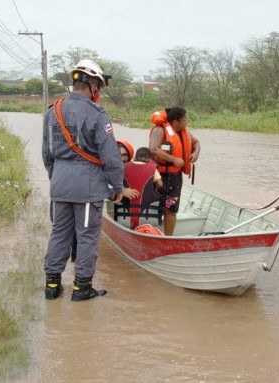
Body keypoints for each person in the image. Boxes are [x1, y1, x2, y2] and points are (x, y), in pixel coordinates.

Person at [42, 58, 135, 301]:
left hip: (59, 183)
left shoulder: (53, 111)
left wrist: (57, 179)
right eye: (99, 87)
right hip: (87, 185)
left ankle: (52, 286)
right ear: (92, 84)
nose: (99, 92)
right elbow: (111, 156)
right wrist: (117, 187)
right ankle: (81, 288)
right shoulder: (97, 114)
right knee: (86, 236)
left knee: (59, 233)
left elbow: (46, 154)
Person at [148, 107, 200, 236]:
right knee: (153, 206)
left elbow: (197, 142)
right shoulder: (160, 130)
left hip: (175, 177)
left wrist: (195, 153)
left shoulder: (184, 132)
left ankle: (167, 238)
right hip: (158, 176)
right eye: (184, 120)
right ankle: (149, 233)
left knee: (171, 209)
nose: (186, 122)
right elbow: (153, 149)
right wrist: (174, 159)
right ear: (175, 122)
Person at [121, 147, 164, 228]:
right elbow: (160, 184)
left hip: (124, 217)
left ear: (135, 157)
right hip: (147, 218)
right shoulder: (152, 168)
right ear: (149, 159)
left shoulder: (123, 167)